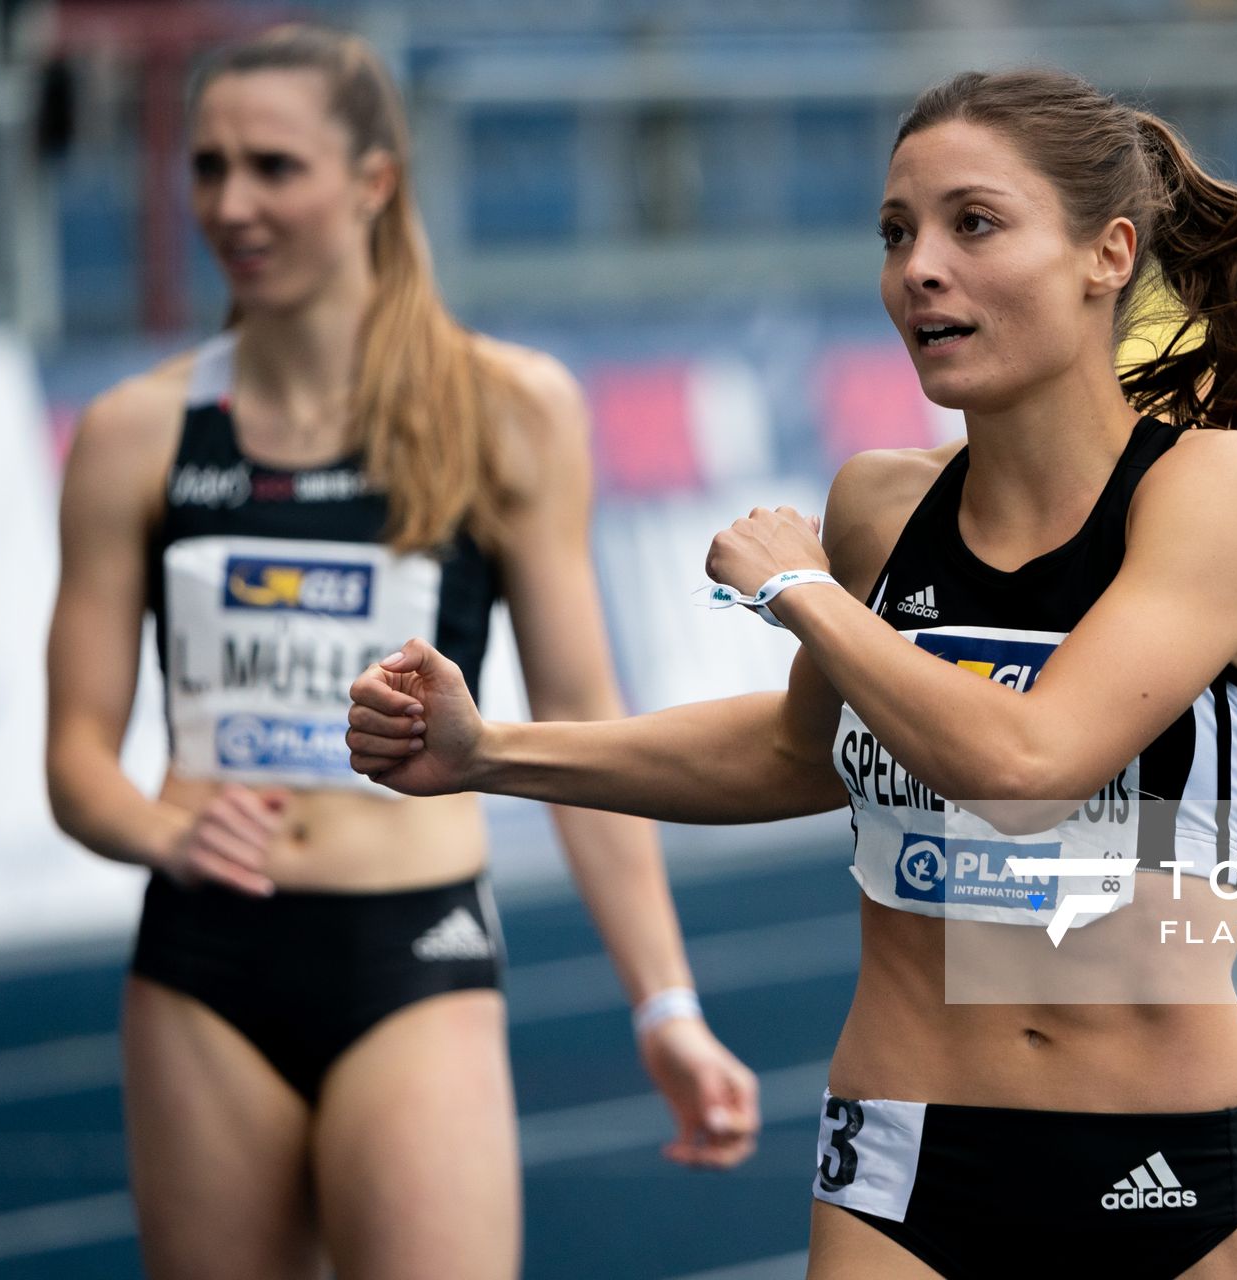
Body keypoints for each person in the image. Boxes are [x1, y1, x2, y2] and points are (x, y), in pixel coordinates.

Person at [349, 68, 1237, 1279]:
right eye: (897, 233)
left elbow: (1031, 760)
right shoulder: (883, 505)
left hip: (1161, 1165)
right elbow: (801, 752)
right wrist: (489, 754)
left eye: (973, 223)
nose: (919, 268)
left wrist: (809, 598)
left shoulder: (1216, 492)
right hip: (900, 1160)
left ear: (1108, 255)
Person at [44, 24, 758, 1280]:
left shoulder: (507, 409)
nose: (231, 203)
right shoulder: (132, 432)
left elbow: (581, 722)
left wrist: (668, 1005)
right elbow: (74, 757)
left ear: (374, 180)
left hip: (413, 953)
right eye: (207, 168)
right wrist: (164, 834)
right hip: (203, 964)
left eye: (274, 167)